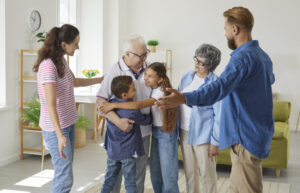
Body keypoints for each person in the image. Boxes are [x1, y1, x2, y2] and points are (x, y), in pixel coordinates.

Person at [156, 7, 275, 193]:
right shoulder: (262, 56)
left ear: (234, 29)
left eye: (226, 28)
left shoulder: (242, 58)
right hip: (255, 133)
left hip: (246, 137)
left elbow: (218, 89)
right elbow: (266, 82)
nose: (225, 32)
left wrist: (184, 98)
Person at [33, 24, 103, 193]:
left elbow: (75, 82)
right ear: (63, 44)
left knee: (64, 171)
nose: (78, 47)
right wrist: (59, 135)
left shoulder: (61, 61)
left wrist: (100, 79)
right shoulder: (48, 66)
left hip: (68, 123)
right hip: (56, 129)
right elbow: (50, 104)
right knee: (65, 177)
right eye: (76, 43)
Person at [100, 62, 179, 193]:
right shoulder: (152, 89)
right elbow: (144, 117)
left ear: (160, 79)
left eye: (150, 76)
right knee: (154, 172)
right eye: (146, 75)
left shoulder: (160, 92)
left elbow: (139, 105)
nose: (145, 78)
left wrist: (112, 106)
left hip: (165, 132)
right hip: (154, 132)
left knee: (168, 172)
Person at [96, 34, 152, 193]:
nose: (144, 58)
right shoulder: (115, 70)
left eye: (145, 53)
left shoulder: (149, 68)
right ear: (127, 54)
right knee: (115, 175)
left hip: (142, 135)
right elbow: (101, 101)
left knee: (138, 175)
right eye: (140, 55)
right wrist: (118, 121)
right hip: (119, 135)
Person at [177, 44, 221, 193]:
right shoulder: (187, 77)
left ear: (210, 65)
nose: (196, 64)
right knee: (190, 174)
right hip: (184, 132)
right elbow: (178, 101)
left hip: (204, 136)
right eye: (196, 59)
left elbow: (219, 116)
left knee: (207, 176)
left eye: (201, 63)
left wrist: (215, 142)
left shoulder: (216, 84)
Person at [100, 75, 152, 193]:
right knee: (130, 181)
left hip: (113, 151)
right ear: (124, 95)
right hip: (128, 152)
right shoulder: (132, 111)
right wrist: (152, 116)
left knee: (109, 179)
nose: (136, 90)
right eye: (133, 89)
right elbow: (145, 120)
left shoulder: (109, 106)